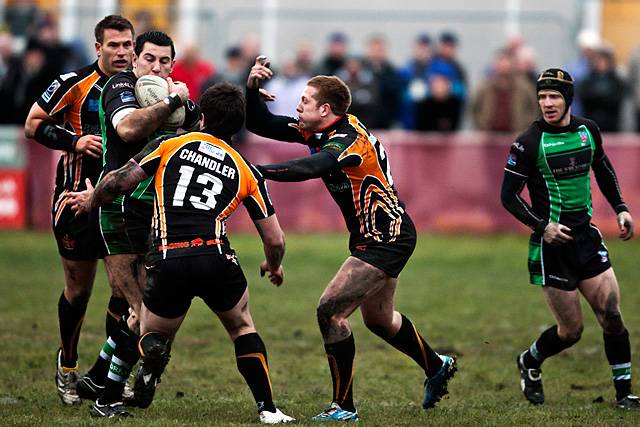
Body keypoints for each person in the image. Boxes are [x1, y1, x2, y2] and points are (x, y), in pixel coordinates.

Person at [67, 82, 294, 424]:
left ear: (200, 117)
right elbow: (275, 239)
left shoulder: (170, 145)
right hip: (215, 257)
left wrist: (90, 200)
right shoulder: (246, 168)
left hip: (168, 256)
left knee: (143, 325)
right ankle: (268, 409)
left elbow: (118, 182)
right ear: (239, 126)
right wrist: (273, 265)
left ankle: (121, 385)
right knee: (242, 327)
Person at [246, 56, 457, 421]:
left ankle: (343, 407)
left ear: (325, 109)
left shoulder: (347, 139)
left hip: (385, 237)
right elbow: (259, 123)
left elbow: (315, 166)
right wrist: (250, 91)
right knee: (379, 320)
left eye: (305, 101)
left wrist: (259, 172)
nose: (297, 106)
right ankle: (437, 365)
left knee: (330, 311)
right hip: (377, 234)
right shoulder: (320, 130)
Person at [72, 30, 200, 415]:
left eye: (164, 61)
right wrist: (173, 101)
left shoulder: (179, 97)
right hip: (121, 209)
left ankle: (98, 378)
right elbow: (127, 129)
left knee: (144, 307)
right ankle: (108, 396)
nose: (156, 67)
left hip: (159, 213)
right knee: (143, 310)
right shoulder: (121, 85)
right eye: (149, 59)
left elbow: (192, 137)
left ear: (173, 64)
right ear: (136, 59)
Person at [500, 68, 639, 410]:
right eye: (543, 97)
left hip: (587, 239)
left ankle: (624, 395)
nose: (547, 103)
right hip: (553, 246)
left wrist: (621, 207)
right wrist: (541, 225)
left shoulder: (587, 130)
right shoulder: (529, 142)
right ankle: (530, 361)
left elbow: (603, 169)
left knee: (611, 315)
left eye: (554, 97)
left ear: (567, 100)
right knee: (571, 331)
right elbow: (508, 196)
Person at [22, 15, 135, 406]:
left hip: (121, 204)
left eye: (126, 45)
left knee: (123, 291)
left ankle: (107, 377)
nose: (121, 53)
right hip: (76, 201)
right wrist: (74, 140)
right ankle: (67, 365)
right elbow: (32, 124)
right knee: (80, 291)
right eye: (113, 46)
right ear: (98, 47)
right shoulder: (73, 84)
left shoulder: (142, 87)